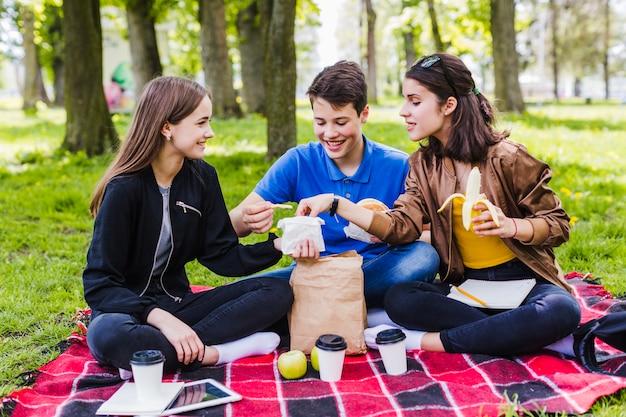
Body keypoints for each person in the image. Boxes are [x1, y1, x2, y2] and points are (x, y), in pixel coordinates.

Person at [296, 53, 581, 357]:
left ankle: (424, 342)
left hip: (525, 282)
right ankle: (526, 335)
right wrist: (336, 203)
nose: (403, 112)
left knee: (562, 310)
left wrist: (510, 226)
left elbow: (557, 224)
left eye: (415, 102)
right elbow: (401, 227)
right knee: (401, 299)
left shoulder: (507, 157)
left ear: (448, 105)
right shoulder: (422, 165)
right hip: (468, 286)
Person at [82, 76, 318, 375]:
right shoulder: (125, 189)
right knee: (110, 338)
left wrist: (276, 246)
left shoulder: (203, 177)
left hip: (179, 304)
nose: (210, 132)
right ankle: (218, 352)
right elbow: (99, 284)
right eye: (201, 123)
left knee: (277, 291)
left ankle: (161, 355)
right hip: (125, 312)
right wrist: (157, 317)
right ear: (167, 127)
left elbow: (220, 255)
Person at [229, 60, 439, 309]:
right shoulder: (298, 161)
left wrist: (387, 233)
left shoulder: (398, 165)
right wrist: (248, 219)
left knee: (423, 258)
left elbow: (429, 236)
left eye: (340, 122)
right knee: (234, 295)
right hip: (313, 272)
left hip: (373, 270)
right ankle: (346, 305)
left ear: (364, 114)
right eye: (320, 122)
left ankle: (314, 304)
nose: (329, 133)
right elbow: (230, 226)